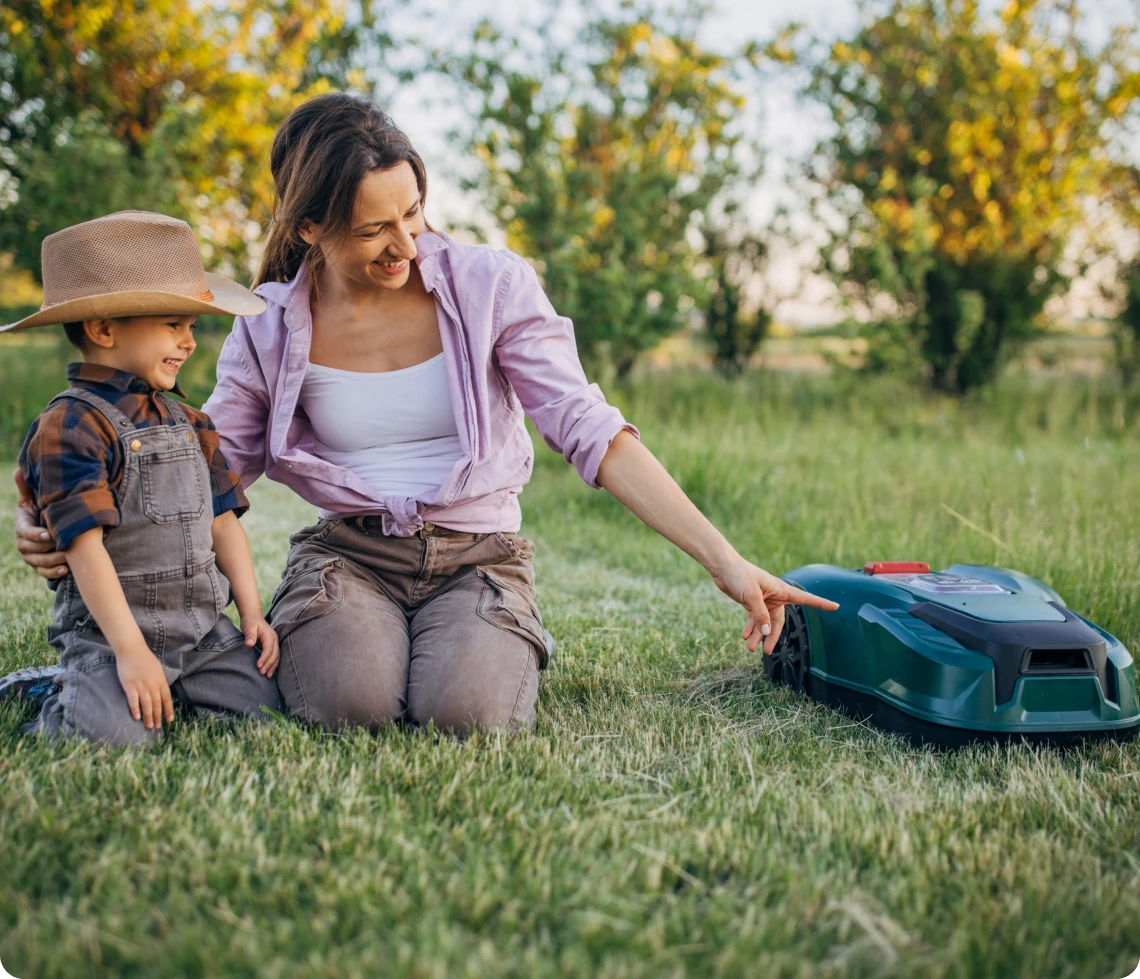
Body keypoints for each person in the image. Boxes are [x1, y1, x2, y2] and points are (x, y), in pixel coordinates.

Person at [14, 93, 837, 736]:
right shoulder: (269, 319)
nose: (407, 246)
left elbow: (590, 429)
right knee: (346, 705)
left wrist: (724, 562)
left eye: (413, 213)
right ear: (309, 228)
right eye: (375, 229)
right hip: (349, 556)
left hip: (479, 557)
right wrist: (56, 519)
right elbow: (202, 465)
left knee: (469, 718)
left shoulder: (491, 286)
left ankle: (478, 636)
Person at [3, 210, 283, 747]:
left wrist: (251, 614)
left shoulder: (191, 421)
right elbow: (83, 549)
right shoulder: (70, 425)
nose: (189, 343)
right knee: (114, 740)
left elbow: (224, 525)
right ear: (103, 329)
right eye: (172, 326)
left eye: (191, 327)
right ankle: (55, 693)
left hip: (201, 632)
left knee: (264, 710)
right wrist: (131, 652)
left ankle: (172, 687)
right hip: (111, 638)